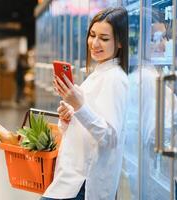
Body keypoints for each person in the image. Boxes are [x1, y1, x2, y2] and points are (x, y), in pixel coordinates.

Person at [41, 7, 129, 200]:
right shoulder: (97, 74)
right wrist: (69, 117)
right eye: (92, 35)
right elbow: (87, 126)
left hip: (84, 183)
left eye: (104, 39)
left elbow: (109, 137)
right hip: (72, 177)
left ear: (120, 42)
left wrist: (79, 106)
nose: (94, 43)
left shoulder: (115, 79)